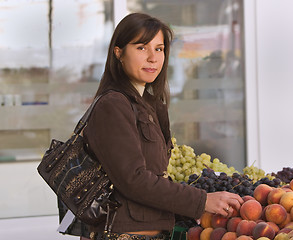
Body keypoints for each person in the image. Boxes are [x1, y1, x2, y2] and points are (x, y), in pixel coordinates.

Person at [82, 12, 242, 240]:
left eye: (159, 49)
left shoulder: (147, 104)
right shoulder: (113, 105)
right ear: (119, 53)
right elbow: (133, 179)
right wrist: (202, 200)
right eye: (141, 48)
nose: (152, 58)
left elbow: (156, 176)